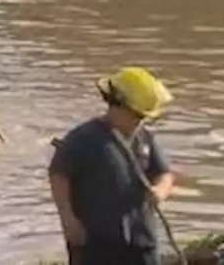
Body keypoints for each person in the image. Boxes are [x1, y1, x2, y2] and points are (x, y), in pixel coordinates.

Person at [49, 67, 176, 265]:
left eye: (143, 118)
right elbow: (59, 174)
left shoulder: (145, 138)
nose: (138, 122)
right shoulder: (84, 138)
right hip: (95, 242)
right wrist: (68, 218)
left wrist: (160, 191)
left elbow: (164, 173)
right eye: (135, 115)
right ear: (116, 105)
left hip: (140, 239)